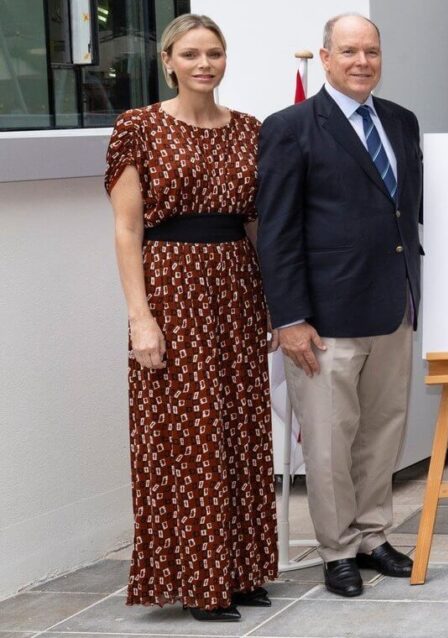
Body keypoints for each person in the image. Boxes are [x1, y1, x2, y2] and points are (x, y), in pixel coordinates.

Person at [105, 14, 277, 622]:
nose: (204, 64)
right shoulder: (139, 128)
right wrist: (139, 318)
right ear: (168, 61)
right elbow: (128, 228)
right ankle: (200, 580)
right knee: (190, 435)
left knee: (242, 431)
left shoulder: (251, 131)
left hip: (236, 288)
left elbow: (258, 225)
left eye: (214, 53)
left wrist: (274, 306)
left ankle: (244, 570)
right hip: (172, 292)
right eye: (191, 54)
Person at [257, 13, 423, 596]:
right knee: (328, 440)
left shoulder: (401, 122)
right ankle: (337, 550)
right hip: (323, 320)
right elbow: (276, 233)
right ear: (325, 58)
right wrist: (290, 319)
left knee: (382, 431)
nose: (362, 62)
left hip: (392, 307)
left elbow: (404, 213)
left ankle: (374, 535)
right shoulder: (291, 127)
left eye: (371, 51)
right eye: (349, 51)